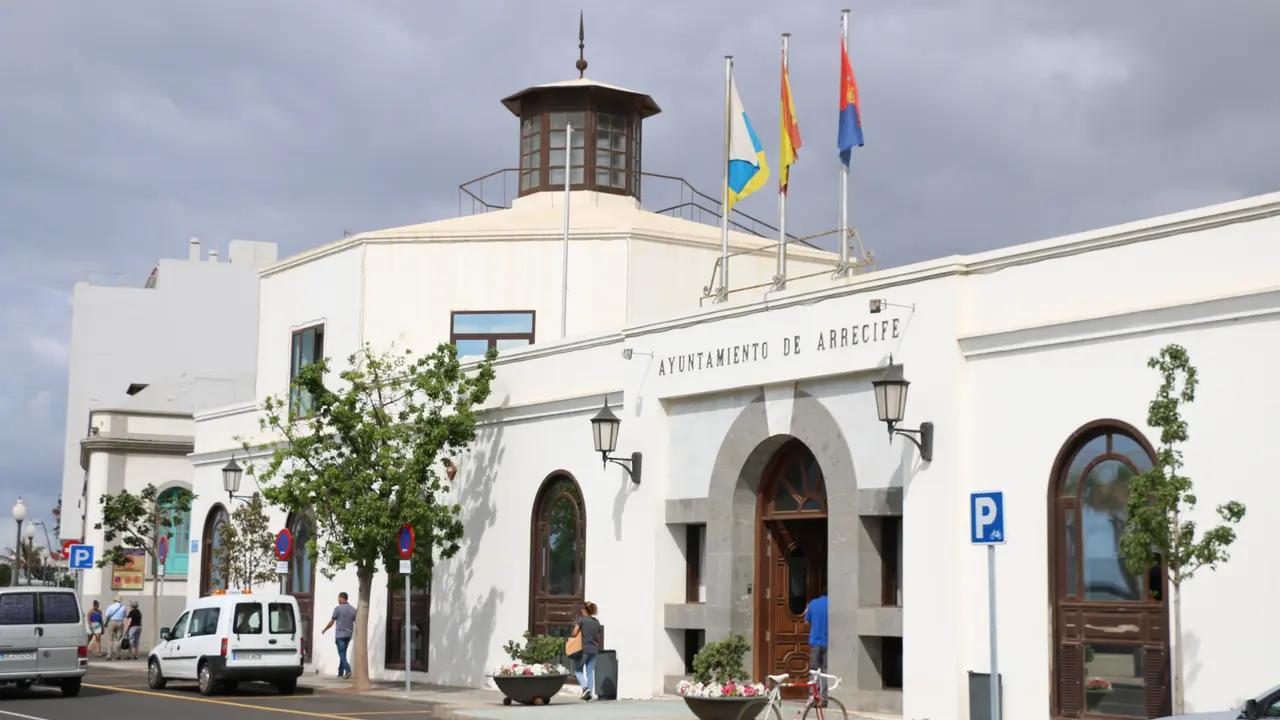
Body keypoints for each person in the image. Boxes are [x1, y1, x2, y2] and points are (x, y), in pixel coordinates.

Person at [804, 584, 829, 707]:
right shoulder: (833, 604)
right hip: (828, 642)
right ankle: (824, 698)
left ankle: (812, 696)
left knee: (814, 670)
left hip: (815, 641)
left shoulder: (813, 604)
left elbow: (806, 620)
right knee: (825, 671)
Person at [570, 602, 601, 701]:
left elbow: (575, 633)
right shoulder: (596, 621)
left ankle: (585, 688)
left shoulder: (581, 620)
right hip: (594, 649)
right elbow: (598, 635)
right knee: (590, 671)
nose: (581, 611)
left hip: (584, 649)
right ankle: (589, 695)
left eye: (583, 609)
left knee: (578, 670)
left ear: (585, 610)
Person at [321, 592, 356, 679]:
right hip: (348, 634)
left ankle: (348, 670)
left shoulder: (338, 609)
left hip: (340, 634)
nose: (338, 600)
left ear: (341, 598)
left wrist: (325, 629)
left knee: (341, 653)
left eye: (338, 598)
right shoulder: (353, 610)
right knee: (343, 653)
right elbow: (356, 621)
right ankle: (340, 672)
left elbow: (332, 622)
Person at [103, 595, 129, 661]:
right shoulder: (123, 607)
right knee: (118, 639)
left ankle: (109, 655)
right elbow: (125, 616)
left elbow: (107, 615)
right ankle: (117, 655)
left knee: (110, 639)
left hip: (112, 622)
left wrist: (106, 623)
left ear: (114, 600)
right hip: (120, 622)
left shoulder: (110, 606)